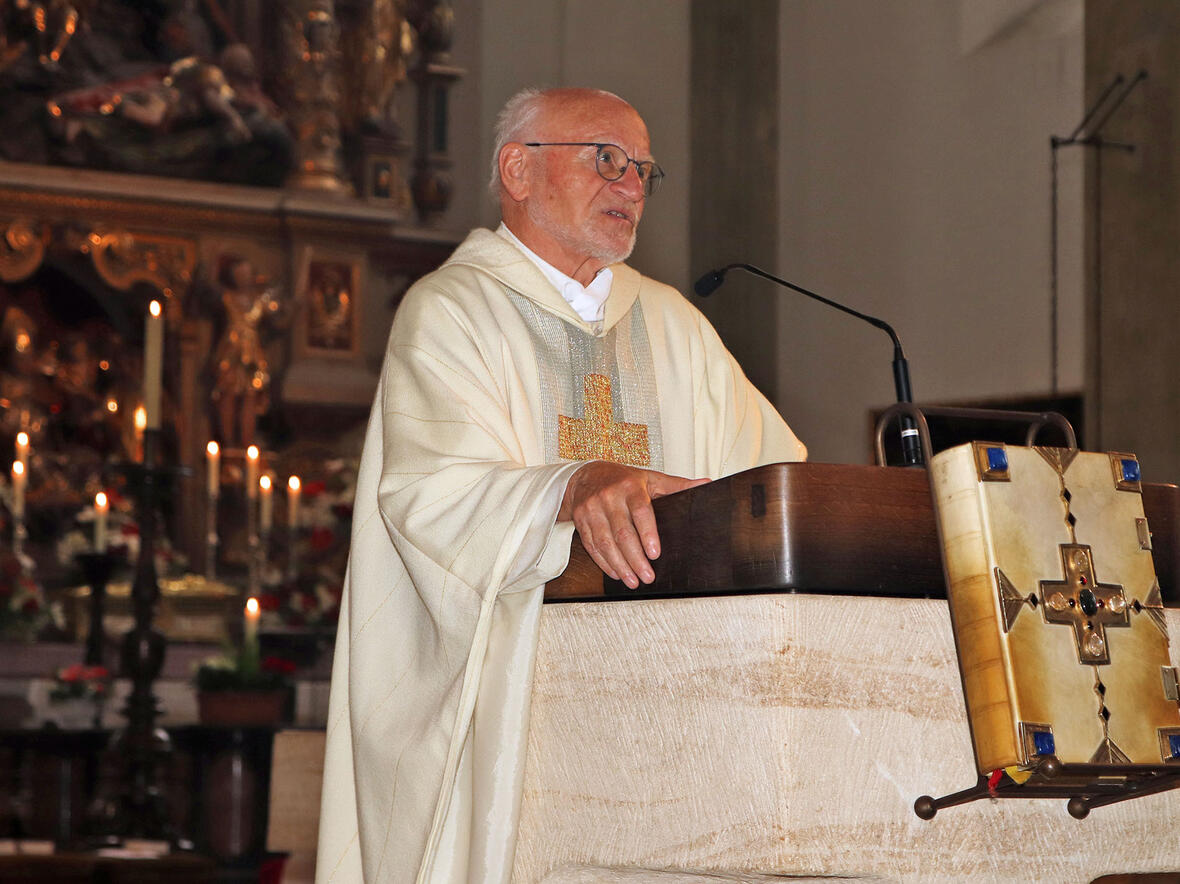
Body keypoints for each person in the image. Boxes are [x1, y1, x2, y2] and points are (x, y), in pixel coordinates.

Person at [316, 86, 806, 883]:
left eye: (645, 169)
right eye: (607, 159)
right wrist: (570, 485)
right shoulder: (451, 311)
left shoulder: (676, 324)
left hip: (683, 717)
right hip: (521, 716)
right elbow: (428, 496)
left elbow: (776, 488)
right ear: (518, 169)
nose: (633, 186)